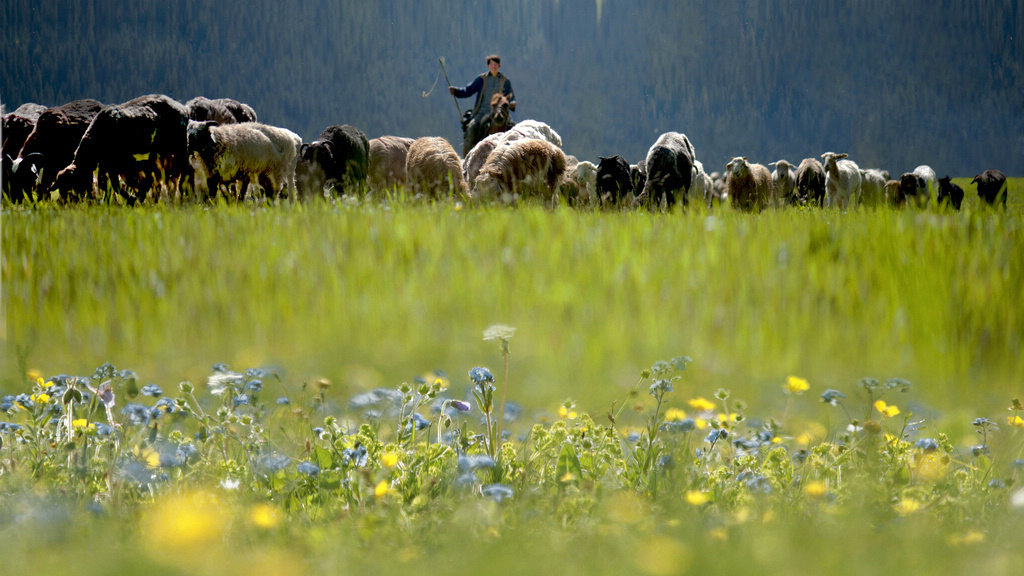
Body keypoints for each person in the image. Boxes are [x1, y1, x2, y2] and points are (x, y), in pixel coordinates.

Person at [450, 55, 516, 156]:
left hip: (499, 112)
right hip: (482, 112)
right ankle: (469, 156)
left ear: (499, 65)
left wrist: (512, 103)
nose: (494, 66)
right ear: (488, 66)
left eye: (496, 64)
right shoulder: (481, 79)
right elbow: (468, 90)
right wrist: (456, 91)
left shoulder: (505, 81)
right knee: (471, 129)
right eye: (492, 64)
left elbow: (511, 97)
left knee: (515, 132)